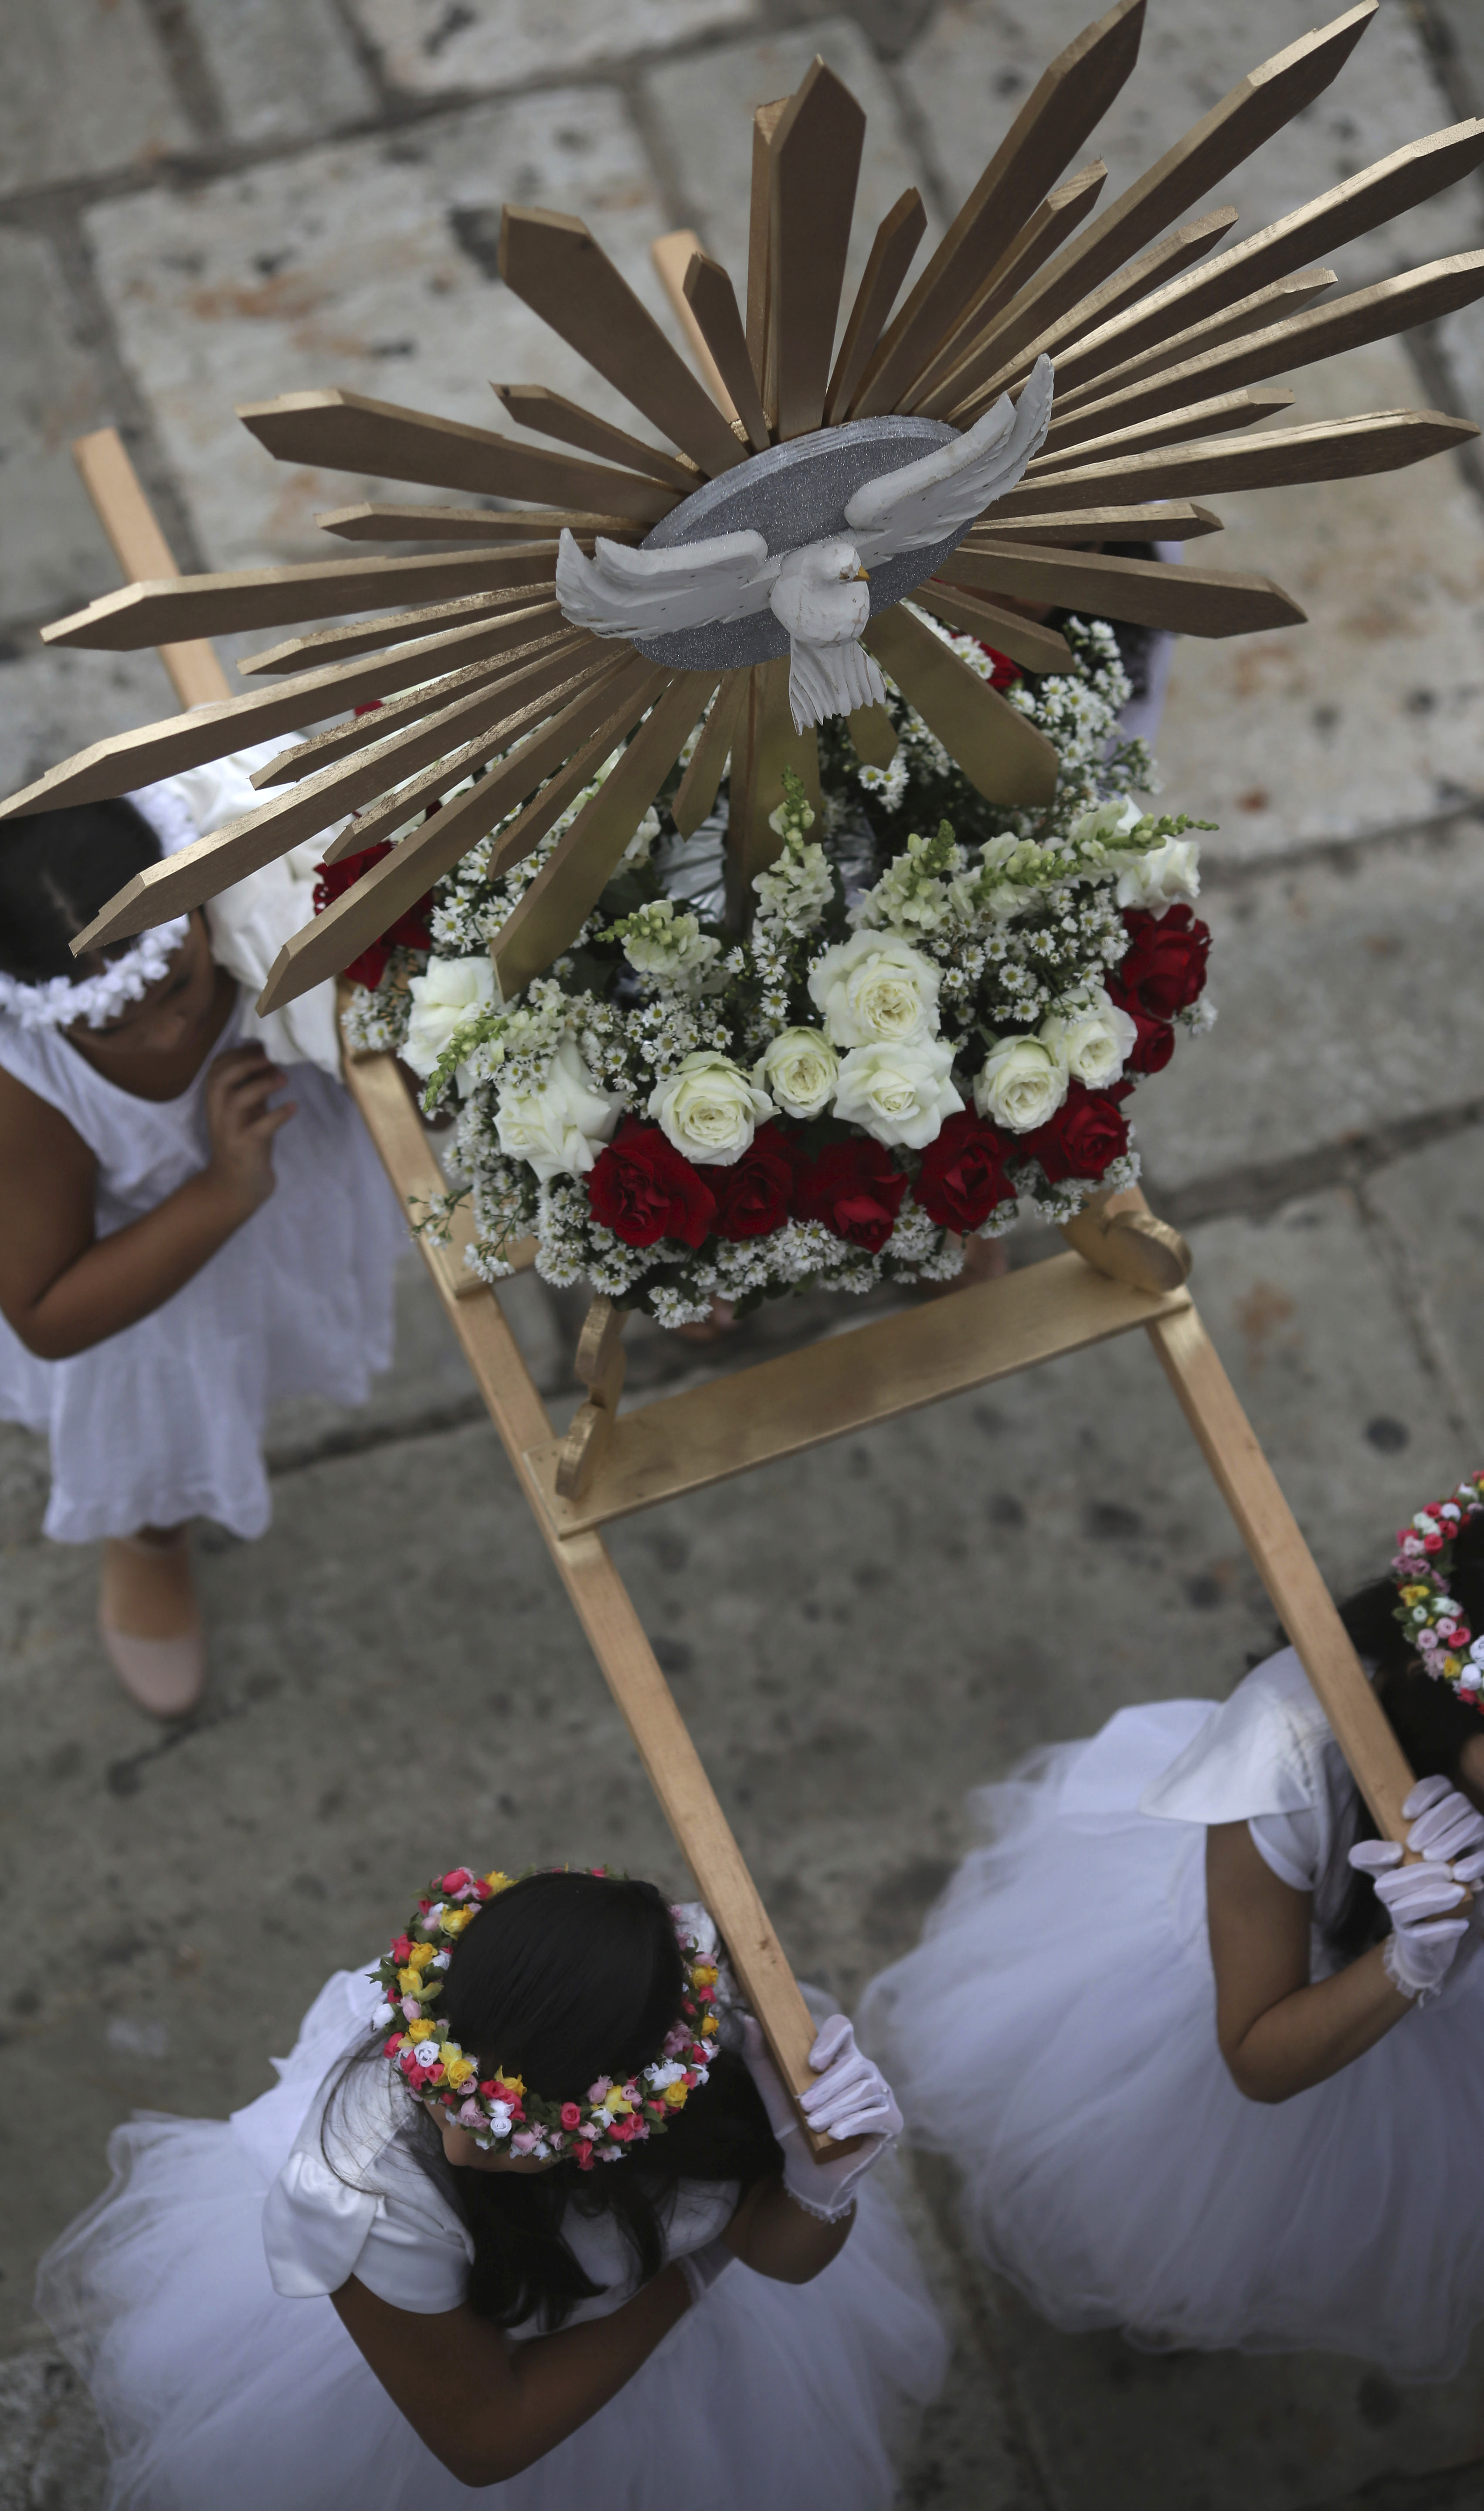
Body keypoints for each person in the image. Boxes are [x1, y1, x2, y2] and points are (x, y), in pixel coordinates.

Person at [861, 1468, 1484, 2382]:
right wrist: (1407, 1963)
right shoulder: (1285, 1760)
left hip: (1462, 2025)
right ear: (1433, 1697)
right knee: (1179, 2223)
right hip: (1235, 2003)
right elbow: (1256, 2058)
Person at [37, 1864, 947, 2509]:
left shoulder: (713, 2050)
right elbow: (485, 2442)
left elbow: (779, 2259)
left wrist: (816, 2184)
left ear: (638, 2106)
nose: (468, 2154)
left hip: (662, 2339)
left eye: (519, 2129)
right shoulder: (364, 2191)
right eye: (449, 2099)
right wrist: (696, 2273)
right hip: (471, 2367)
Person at [0, 776, 406, 1718]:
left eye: (180, 986)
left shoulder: (259, 900)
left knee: (268, 1354)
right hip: (149, 1283)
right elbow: (48, 1314)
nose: (170, 1028)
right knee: (167, 1423)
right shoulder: (28, 1089)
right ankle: (149, 1538)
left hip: (292, 1195)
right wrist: (224, 1191)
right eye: (113, 1024)